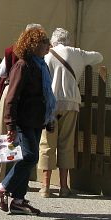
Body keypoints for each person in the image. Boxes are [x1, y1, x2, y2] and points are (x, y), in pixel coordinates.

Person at [0, 26, 55, 215]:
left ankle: (18, 200)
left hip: (37, 120)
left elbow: (46, 95)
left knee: (27, 158)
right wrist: (10, 125)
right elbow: (12, 97)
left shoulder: (41, 65)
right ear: (34, 44)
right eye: (44, 42)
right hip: (23, 120)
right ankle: (1, 188)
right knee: (30, 156)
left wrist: (49, 118)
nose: (48, 45)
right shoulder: (23, 65)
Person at [39, 28, 103, 198]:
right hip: (71, 103)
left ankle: (45, 187)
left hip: (51, 105)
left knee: (47, 144)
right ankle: (64, 186)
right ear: (68, 41)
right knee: (66, 144)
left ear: (53, 41)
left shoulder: (47, 55)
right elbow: (99, 57)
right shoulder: (77, 53)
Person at [0, 23, 43, 188]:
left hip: (10, 90)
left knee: (3, 133)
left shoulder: (13, 50)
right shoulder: (37, 56)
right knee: (14, 137)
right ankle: (18, 179)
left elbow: (1, 71)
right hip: (22, 95)